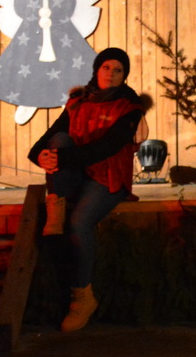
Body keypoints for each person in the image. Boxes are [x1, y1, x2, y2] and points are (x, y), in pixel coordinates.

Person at [28, 48, 150, 332]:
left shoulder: (128, 108)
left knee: (80, 222)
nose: (111, 73)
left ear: (124, 75)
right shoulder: (78, 102)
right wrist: (40, 156)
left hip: (107, 176)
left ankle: (82, 297)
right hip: (76, 174)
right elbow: (46, 139)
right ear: (97, 70)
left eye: (118, 69)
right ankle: (54, 206)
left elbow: (107, 147)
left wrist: (61, 159)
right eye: (106, 67)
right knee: (59, 137)